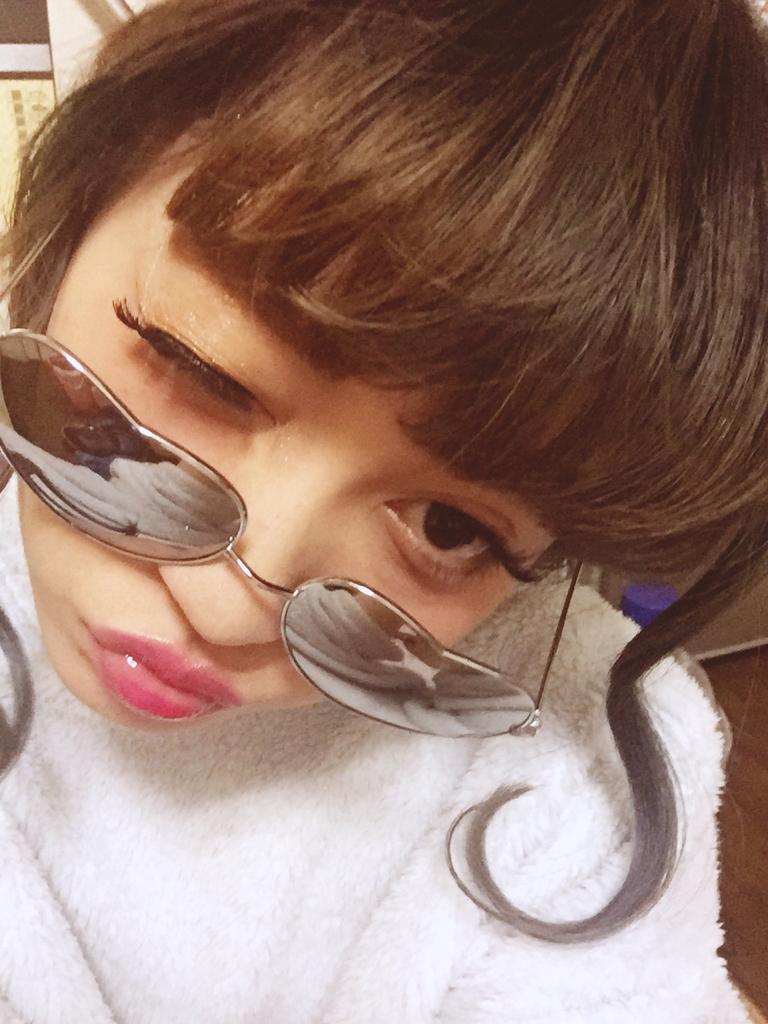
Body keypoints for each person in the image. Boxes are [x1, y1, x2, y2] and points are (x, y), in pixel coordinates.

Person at [0, 0, 765, 1020]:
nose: (228, 608)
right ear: (68, 218)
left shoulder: (570, 787)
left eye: (450, 528)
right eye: (199, 368)